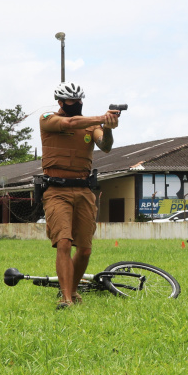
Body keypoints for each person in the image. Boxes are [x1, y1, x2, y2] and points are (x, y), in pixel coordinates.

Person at [39, 82, 119, 309]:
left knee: (84, 249)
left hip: (84, 190)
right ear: (61, 102)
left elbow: (105, 146)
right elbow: (70, 122)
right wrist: (102, 117)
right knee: (64, 242)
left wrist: (109, 127)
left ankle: (72, 292)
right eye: (73, 101)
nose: (78, 104)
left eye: (80, 100)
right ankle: (66, 299)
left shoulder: (90, 126)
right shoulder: (48, 119)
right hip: (56, 191)